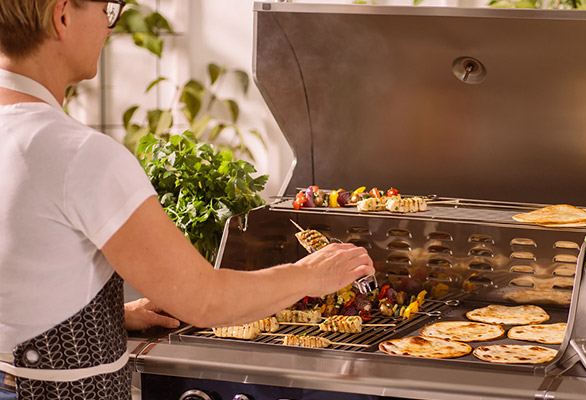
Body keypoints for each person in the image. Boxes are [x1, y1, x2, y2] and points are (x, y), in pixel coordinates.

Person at [0, 1, 375, 399]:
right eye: (108, 10)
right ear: (62, 17)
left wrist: (107, 317)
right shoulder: (78, 155)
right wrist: (312, 276)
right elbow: (206, 300)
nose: (111, 28)